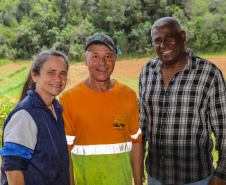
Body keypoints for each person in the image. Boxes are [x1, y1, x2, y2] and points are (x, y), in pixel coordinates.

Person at [139, 17, 226, 185]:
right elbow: (142, 125)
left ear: (183, 36)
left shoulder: (209, 73)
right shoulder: (147, 72)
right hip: (156, 177)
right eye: (157, 40)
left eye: (169, 38)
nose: (163, 45)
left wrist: (222, 174)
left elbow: (224, 129)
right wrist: (137, 163)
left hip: (196, 179)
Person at [59, 33, 143, 185]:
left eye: (108, 56)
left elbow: (136, 141)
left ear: (115, 59)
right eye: (95, 56)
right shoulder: (69, 99)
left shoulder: (128, 95)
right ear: (85, 60)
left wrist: (138, 182)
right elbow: (65, 152)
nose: (102, 63)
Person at [0, 50, 70, 185]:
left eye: (63, 73)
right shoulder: (25, 114)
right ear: (35, 75)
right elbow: (13, 168)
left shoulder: (56, 109)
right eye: (51, 72)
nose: (58, 79)